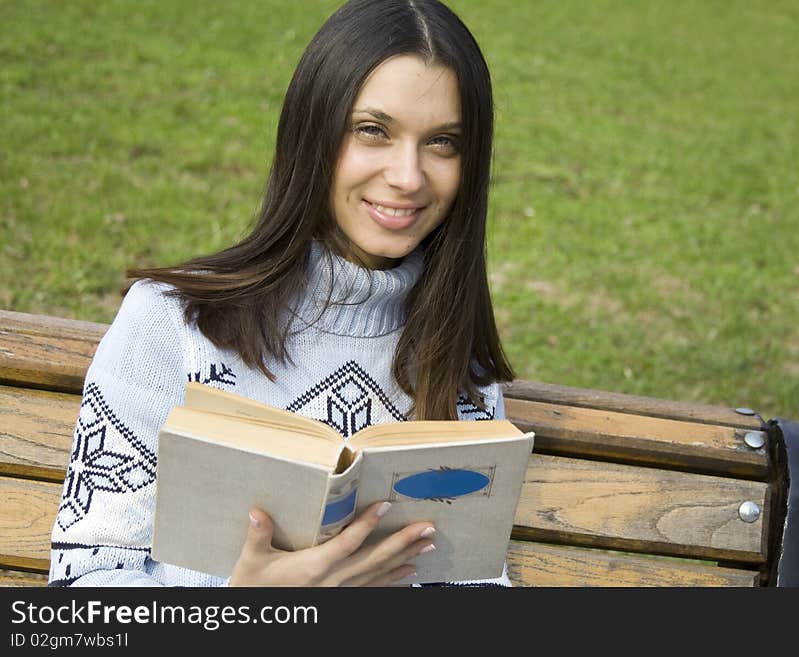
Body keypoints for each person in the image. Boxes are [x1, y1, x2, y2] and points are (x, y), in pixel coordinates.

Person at [48, 0, 515, 587]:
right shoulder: (174, 327)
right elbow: (80, 591)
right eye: (372, 130)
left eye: (443, 143)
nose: (408, 176)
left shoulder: (457, 360)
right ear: (313, 132)